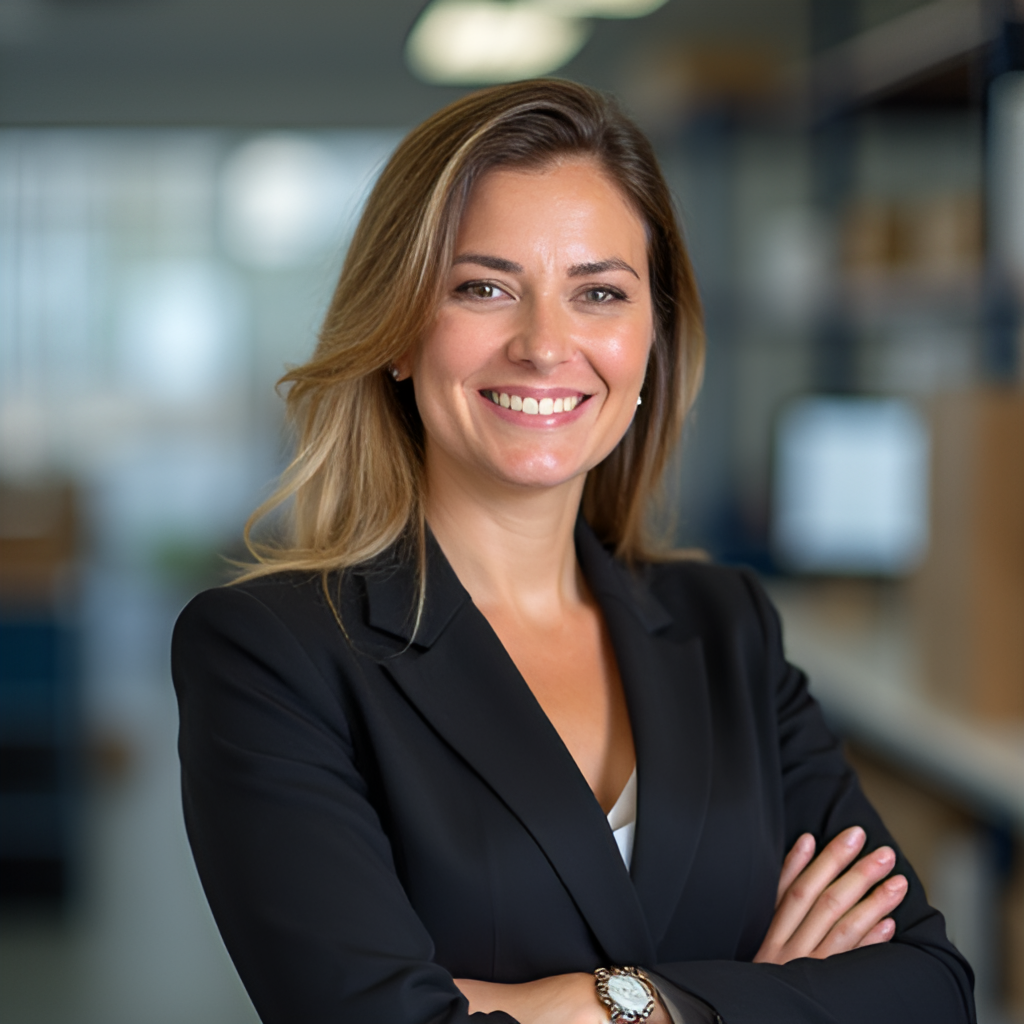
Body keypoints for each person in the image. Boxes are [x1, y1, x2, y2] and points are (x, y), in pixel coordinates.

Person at [171, 79, 974, 1024]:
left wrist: (603, 1004)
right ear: (397, 331)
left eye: (598, 292)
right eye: (484, 287)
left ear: (650, 342)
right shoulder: (271, 654)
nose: (546, 345)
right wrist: (763, 994)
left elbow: (927, 987)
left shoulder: (726, 625)